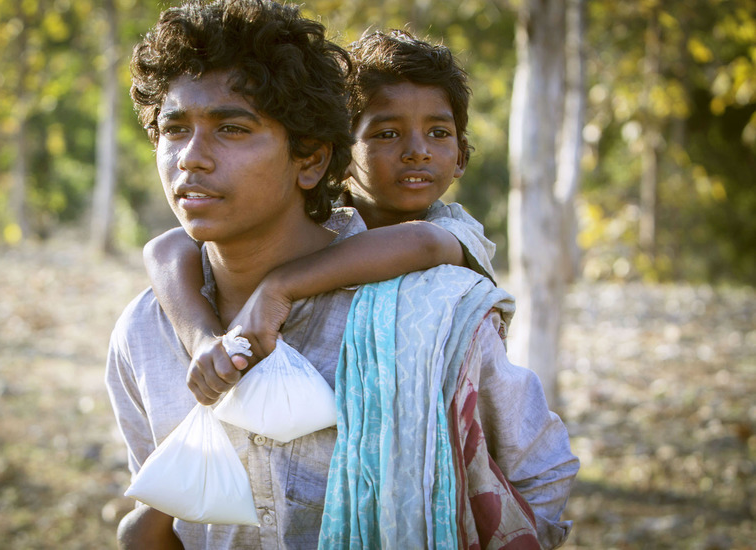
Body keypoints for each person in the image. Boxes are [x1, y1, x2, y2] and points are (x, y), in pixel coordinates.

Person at [106, 1, 578, 548]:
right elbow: (168, 514)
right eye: (174, 129)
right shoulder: (146, 332)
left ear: (310, 160)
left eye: (232, 128)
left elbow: (541, 482)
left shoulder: (429, 315)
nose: (191, 158)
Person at [143, 29, 510, 409]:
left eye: (438, 133)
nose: (417, 152)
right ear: (341, 155)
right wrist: (201, 337)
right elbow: (163, 249)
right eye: (386, 133)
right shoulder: (313, 213)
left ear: (462, 157)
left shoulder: (449, 228)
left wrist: (278, 287)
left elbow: (424, 242)